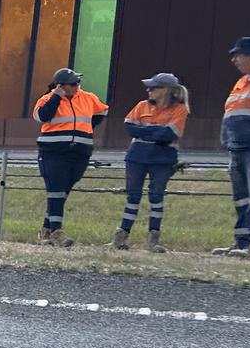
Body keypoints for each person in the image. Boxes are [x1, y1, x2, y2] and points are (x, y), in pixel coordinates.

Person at [111, 73, 189, 253]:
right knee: (133, 196)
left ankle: (153, 238)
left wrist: (144, 130)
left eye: (154, 88)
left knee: (156, 196)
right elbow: (130, 128)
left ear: (166, 90)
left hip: (163, 158)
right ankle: (121, 236)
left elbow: (170, 134)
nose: (149, 90)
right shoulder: (141, 105)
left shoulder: (180, 109)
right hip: (137, 156)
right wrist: (156, 131)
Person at [32, 68, 110, 246]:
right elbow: (42, 116)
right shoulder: (47, 99)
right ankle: (57, 232)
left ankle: (46, 231)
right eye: (73, 83)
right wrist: (56, 97)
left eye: (78, 82)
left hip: (80, 152)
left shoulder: (88, 97)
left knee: (62, 191)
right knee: (56, 189)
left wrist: (85, 128)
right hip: (53, 151)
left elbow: (102, 112)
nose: (77, 86)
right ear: (61, 85)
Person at [213, 36, 250, 258]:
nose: (234, 60)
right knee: (241, 198)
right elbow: (231, 114)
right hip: (236, 148)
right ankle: (241, 242)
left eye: (238, 55)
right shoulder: (241, 82)